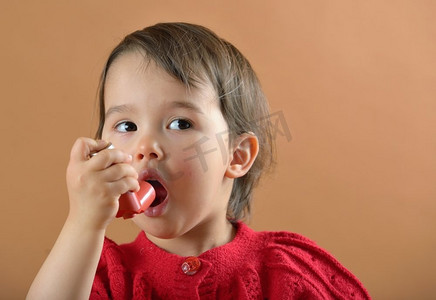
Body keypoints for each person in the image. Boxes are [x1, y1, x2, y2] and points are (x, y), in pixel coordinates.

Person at [27, 22, 370, 299]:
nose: (146, 146)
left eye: (180, 123)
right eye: (127, 125)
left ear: (237, 155)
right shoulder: (91, 273)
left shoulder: (292, 274)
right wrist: (83, 223)